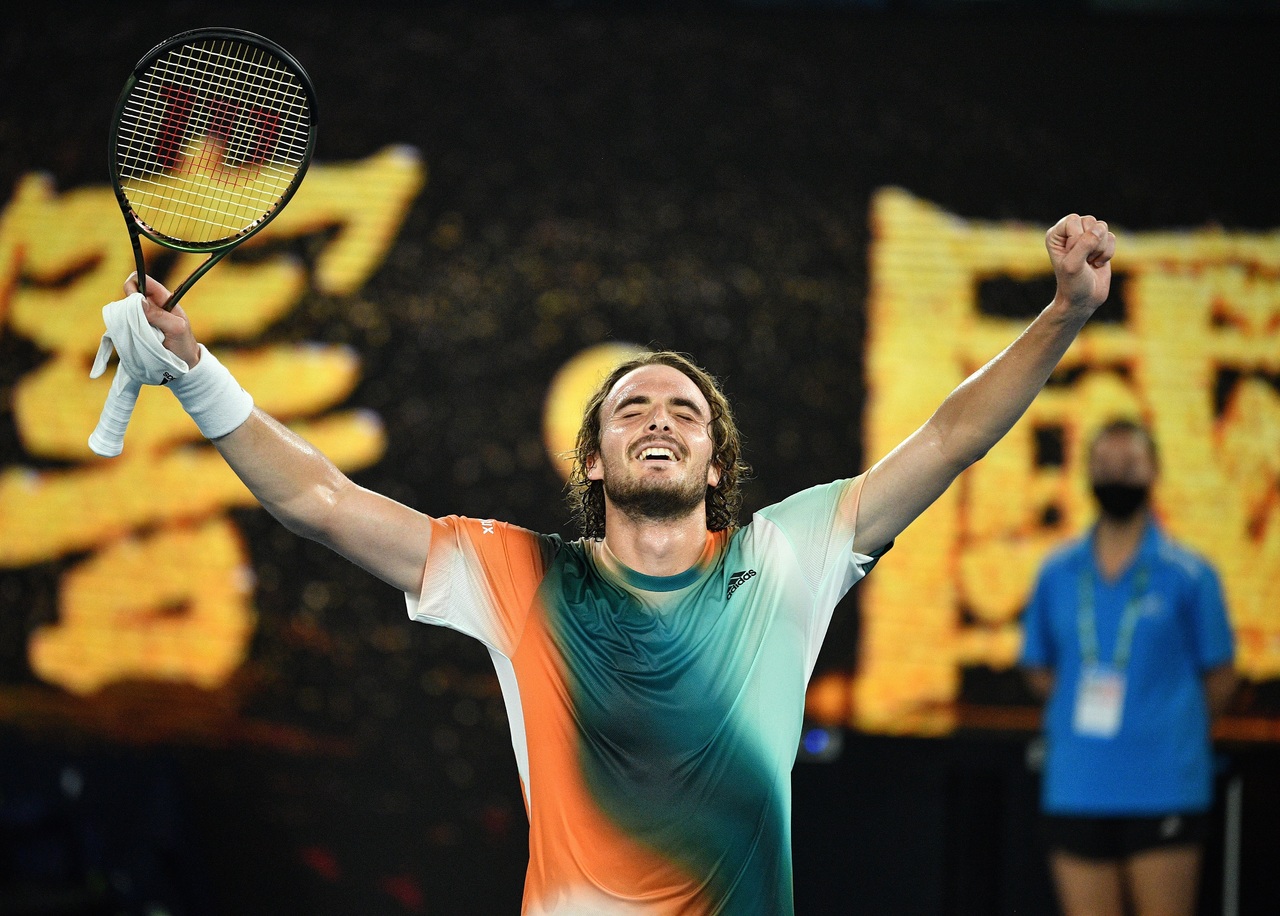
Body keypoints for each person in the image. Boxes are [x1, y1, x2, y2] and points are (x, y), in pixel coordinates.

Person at [98, 214, 1115, 915]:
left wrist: (1066, 310)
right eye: (632, 409)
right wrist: (194, 370)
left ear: (715, 464)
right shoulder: (519, 578)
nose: (659, 420)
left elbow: (947, 438)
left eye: (684, 412)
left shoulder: (785, 558)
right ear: (592, 458)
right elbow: (320, 501)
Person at [1020, 420, 1237, 916]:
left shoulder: (1191, 575)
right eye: (1104, 465)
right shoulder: (1056, 572)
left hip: (1165, 784)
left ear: (1154, 471)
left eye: (1130, 464)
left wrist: (1169, 725)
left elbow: (1221, 677)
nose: (1116, 475)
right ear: (1086, 473)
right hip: (1078, 783)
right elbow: (1038, 668)